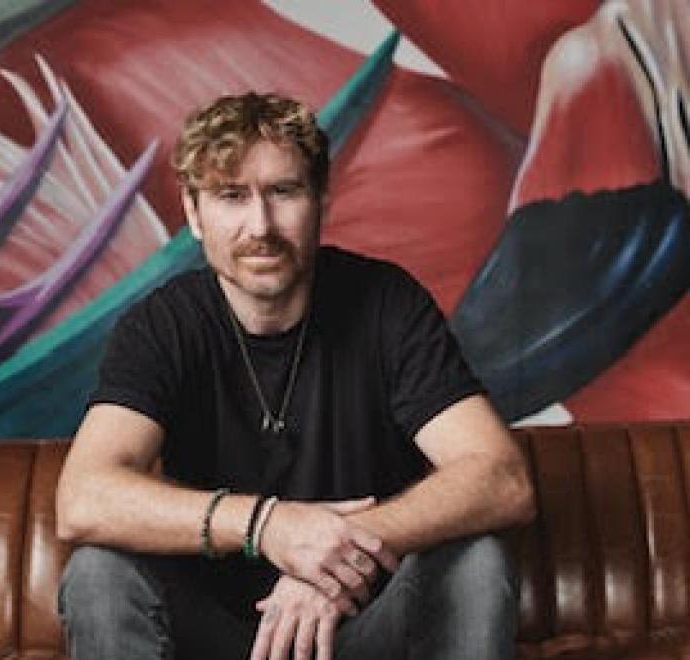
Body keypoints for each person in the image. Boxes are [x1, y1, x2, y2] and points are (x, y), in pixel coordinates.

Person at [55, 91, 535, 660]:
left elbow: (503, 478)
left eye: (284, 192)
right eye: (231, 196)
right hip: (211, 638)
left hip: (360, 629)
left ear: (321, 200)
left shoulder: (388, 305)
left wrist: (331, 559)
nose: (260, 225)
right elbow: (83, 498)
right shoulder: (162, 325)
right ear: (194, 213)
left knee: (478, 561)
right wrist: (268, 526)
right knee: (97, 573)